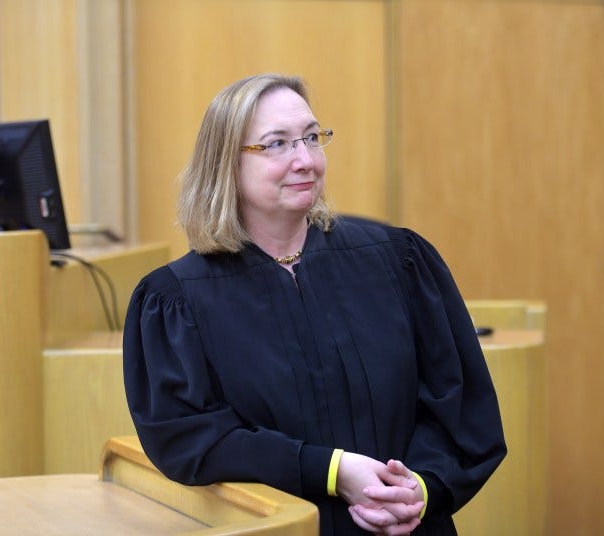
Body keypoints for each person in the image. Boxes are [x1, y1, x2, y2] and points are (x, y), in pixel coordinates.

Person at [123, 73, 506, 535]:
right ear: (226, 163)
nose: (305, 160)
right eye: (277, 144)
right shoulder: (176, 299)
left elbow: (458, 403)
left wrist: (418, 489)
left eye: (312, 138)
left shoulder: (397, 261)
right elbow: (191, 439)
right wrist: (331, 469)